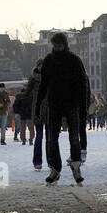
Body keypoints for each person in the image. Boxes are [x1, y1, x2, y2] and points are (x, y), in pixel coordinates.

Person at [36, 31, 87, 184]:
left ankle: (76, 166)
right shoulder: (49, 61)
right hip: (55, 104)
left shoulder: (74, 61)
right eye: (55, 45)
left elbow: (81, 85)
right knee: (52, 139)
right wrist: (39, 104)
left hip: (71, 104)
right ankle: (55, 168)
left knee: (74, 138)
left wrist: (83, 106)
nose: (57, 47)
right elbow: (43, 85)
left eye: (59, 45)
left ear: (64, 45)